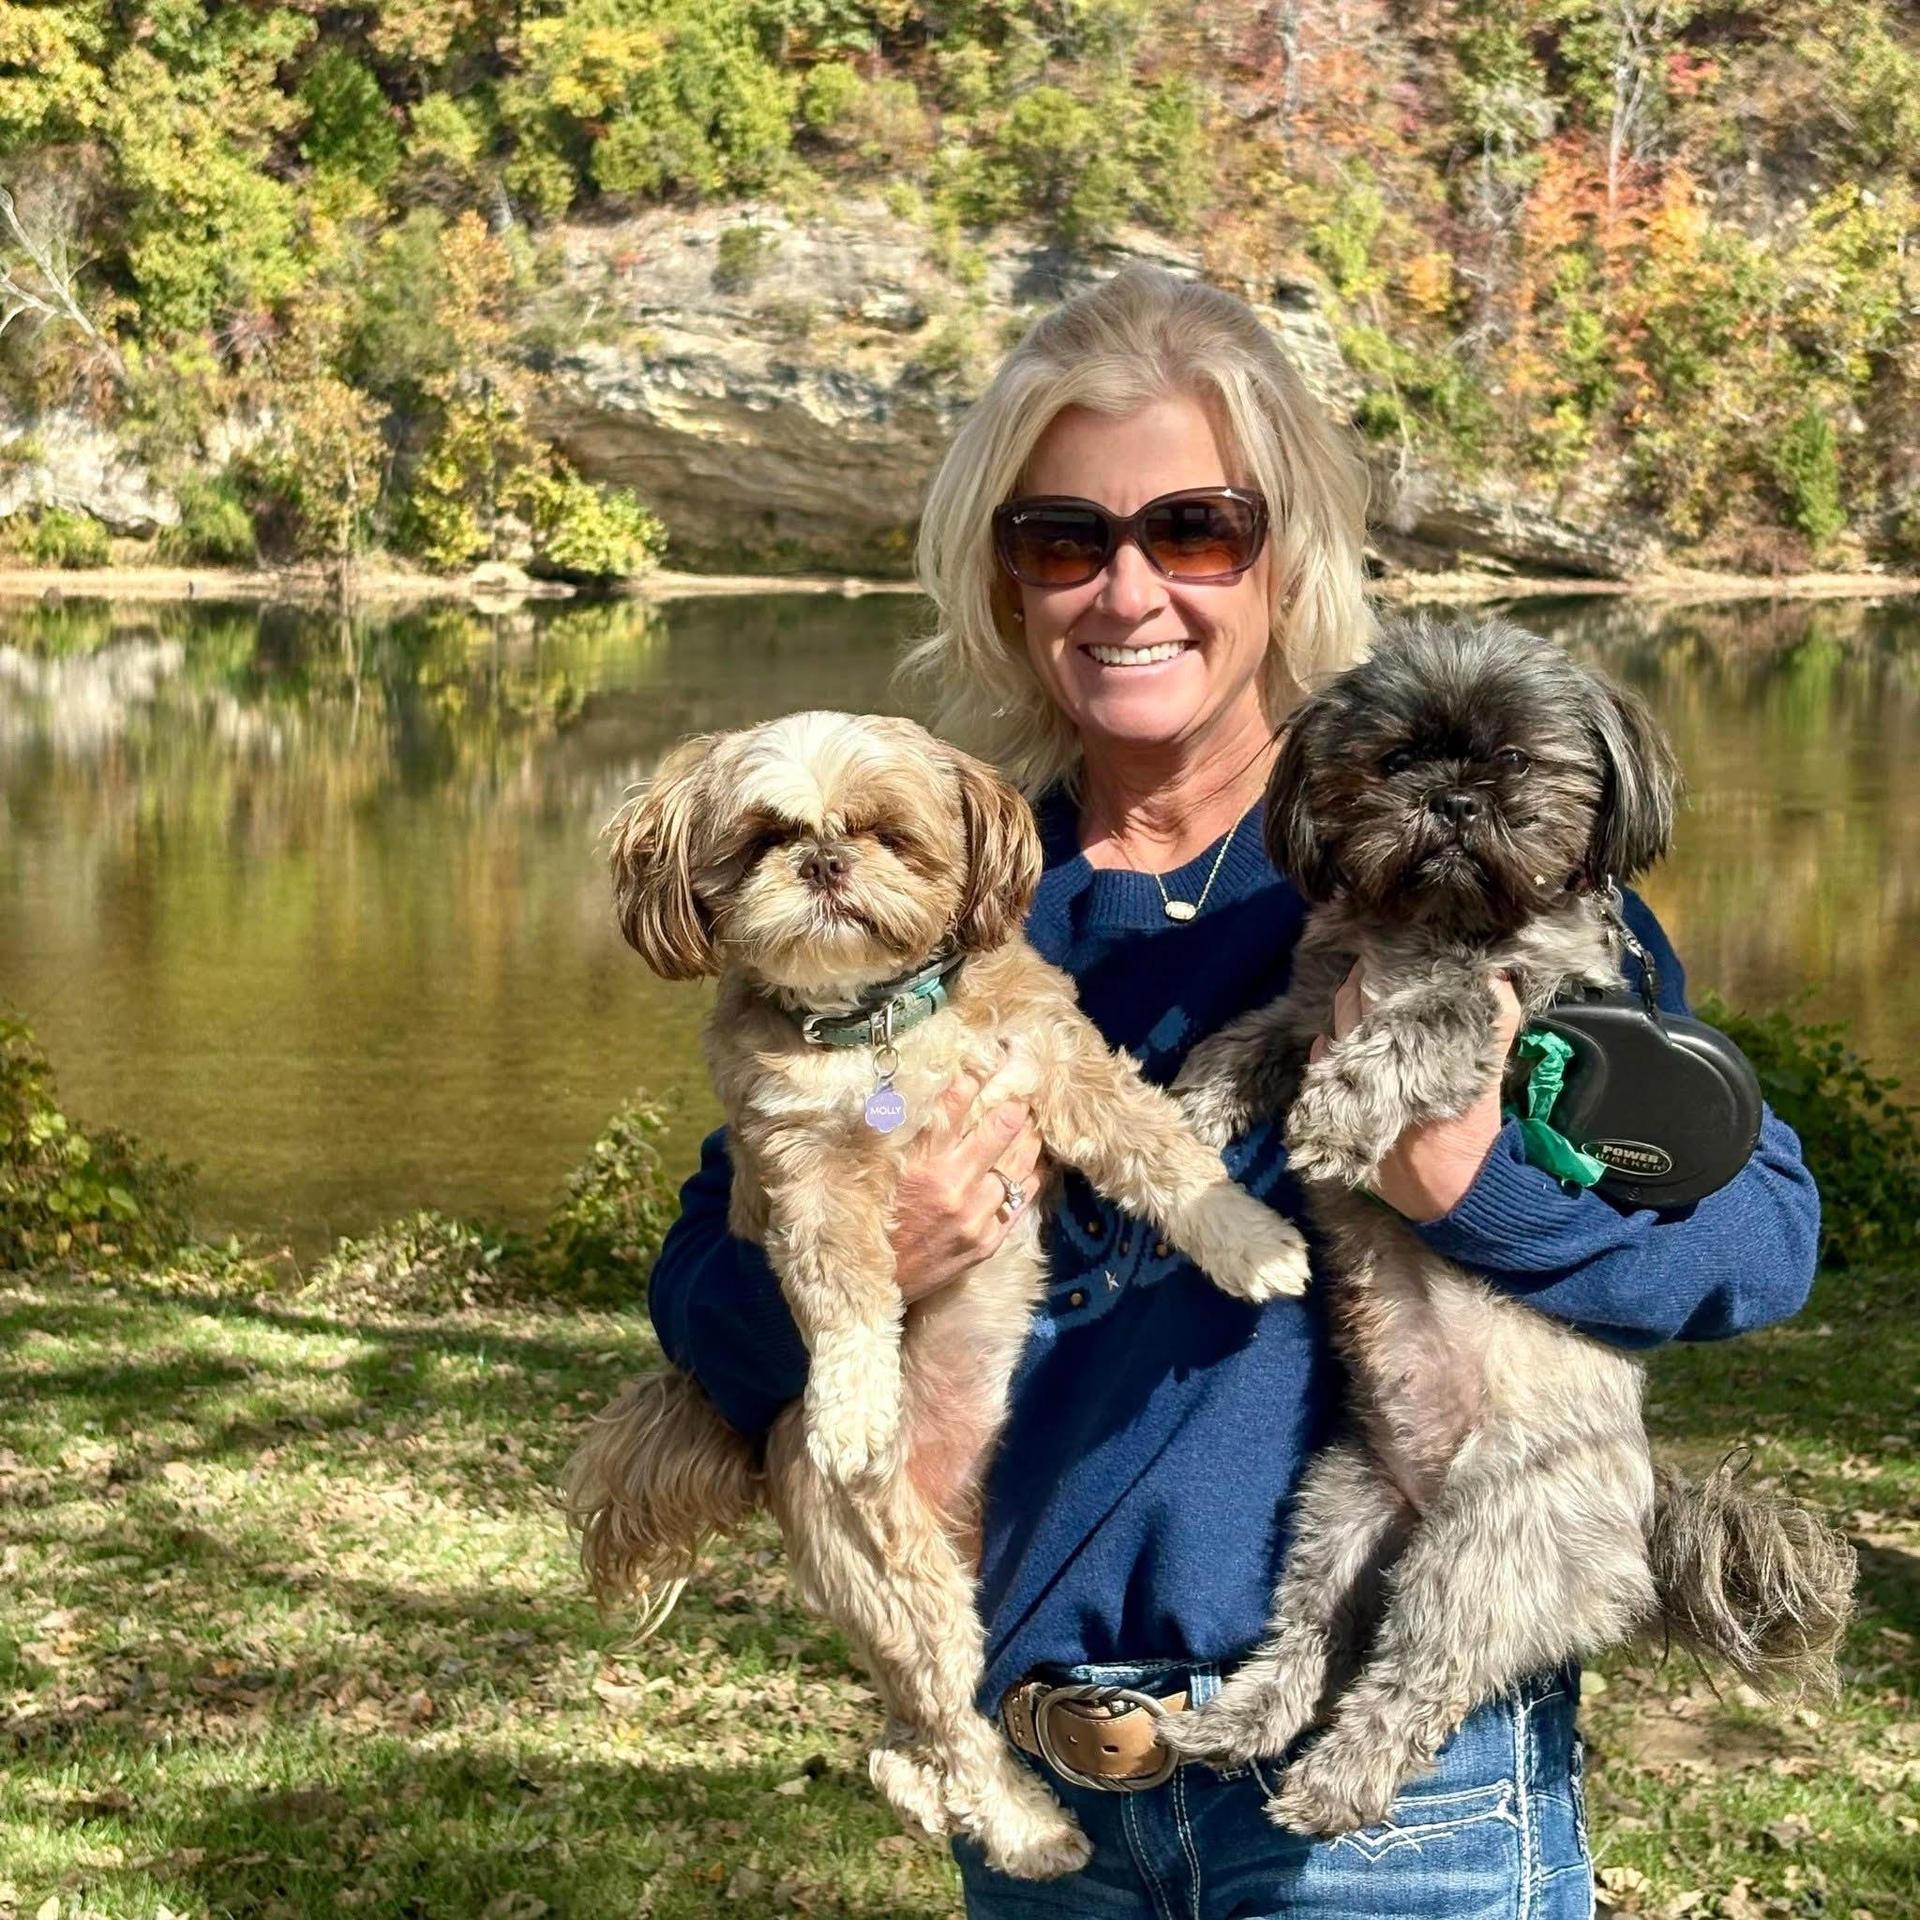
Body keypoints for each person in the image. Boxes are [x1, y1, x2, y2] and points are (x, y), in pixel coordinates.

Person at [644, 265, 1820, 1918]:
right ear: (1000, 573)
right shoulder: (944, 884)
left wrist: (1473, 1187)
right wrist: (868, 1261)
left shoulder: (1459, 869)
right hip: (1053, 1802)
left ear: (1289, 554)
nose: (1129, 591)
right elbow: (704, 1299)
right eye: (1063, 538)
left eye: (1197, 530)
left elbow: (1760, 1246)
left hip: (1401, 1807)